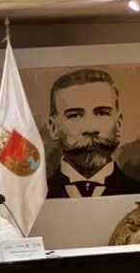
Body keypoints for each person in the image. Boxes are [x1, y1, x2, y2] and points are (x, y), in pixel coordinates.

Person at [46, 69, 140, 198]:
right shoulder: (32, 197)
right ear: (53, 128)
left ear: (118, 124)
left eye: (102, 113)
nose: (90, 129)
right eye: (74, 115)